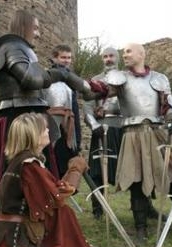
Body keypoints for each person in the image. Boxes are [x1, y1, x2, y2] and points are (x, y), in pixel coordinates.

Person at [0, 112, 115, 247]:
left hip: (15, 245)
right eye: (44, 128)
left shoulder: (20, 162)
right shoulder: (29, 166)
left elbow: (52, 192)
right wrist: (76, 169)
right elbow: (58, 197)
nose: (47, 131)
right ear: (34, 135)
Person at [90, 43, 172, 243]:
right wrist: (75, 81)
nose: (124, 55)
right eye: (123, 51)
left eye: (128, 51)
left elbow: (169, 103)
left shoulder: (159, 78)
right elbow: (98, 91)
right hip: (133, 134)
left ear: (141, 54)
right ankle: (140, 229)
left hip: (157, 133)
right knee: (136, 180)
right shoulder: (120, 78)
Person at [0, 10, 94, 179]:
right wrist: (63, 75)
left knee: (35, 171)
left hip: (27, 115)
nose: (38, 34)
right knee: (19, 171)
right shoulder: (12, 46)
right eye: (35, 28)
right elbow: (32, 79)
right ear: (23, 26)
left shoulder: (23, 49)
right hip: (17, 117)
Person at [83, 47, 123, 219]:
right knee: (97, 171)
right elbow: (87, 106)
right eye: (105, 56)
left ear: (118, 58)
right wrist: (93, 125)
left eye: (111, 56)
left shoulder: (127, 79)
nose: (108, 59)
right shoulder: (95, 81)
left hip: (124, 128)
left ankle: (144, 208)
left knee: (133, 167)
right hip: (102, 130)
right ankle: (98, 208)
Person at [44, 44, 82, 178]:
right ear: (54, 58)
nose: (66, 60)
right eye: (63, 57)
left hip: (69, 127)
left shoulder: (72, 80)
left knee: (66, 169)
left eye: (69, 58)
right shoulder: (47, 77)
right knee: (51, 166)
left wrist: (78, 138)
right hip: (51, 127)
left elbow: (75, 112)